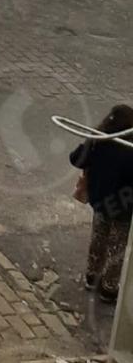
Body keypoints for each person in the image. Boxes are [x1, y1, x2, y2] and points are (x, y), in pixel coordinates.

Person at [69, 104, 133, 303]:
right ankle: (109, 288)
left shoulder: (98, 140)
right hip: (123, 207)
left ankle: (92, 276)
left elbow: (76, 159)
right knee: (117, 246)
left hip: (100, 201)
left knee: (98, 238)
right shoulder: (129, 150)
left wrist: (89, 141)